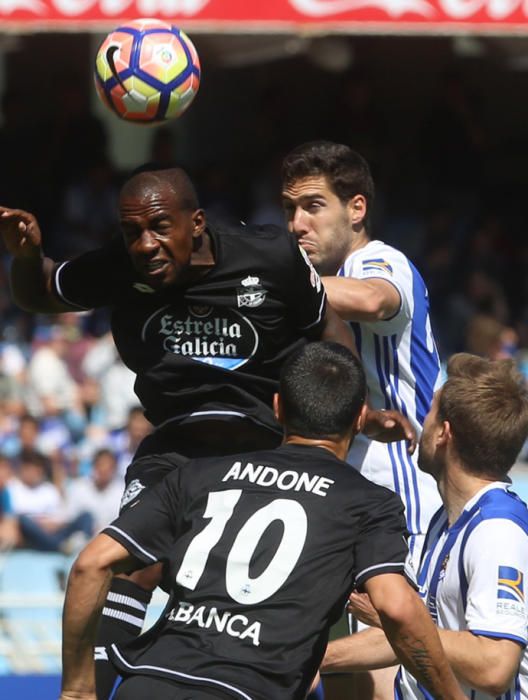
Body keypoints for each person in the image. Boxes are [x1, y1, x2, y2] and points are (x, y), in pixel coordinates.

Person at [0, 165, 412, 698]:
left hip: (268, 445)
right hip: (176, 445)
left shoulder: (270, 256)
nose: (144, 245)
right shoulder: (120, 267)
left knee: (314, 589)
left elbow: (325, 326)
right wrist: (26, 255)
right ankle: (88, 692)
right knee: (129, 563)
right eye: (131, 233)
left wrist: (355, 410)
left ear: (195, 224)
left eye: (158, 228)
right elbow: (41, 295)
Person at [60, 342, 465, 700]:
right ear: (360, 418)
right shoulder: (367, 503)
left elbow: (90, 564)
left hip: (146, 682)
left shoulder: (200, 475)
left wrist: (78, 691)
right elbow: (396, 608)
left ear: (277, 407)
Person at [281, 141, 442, 699]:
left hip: (404, 487)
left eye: (313, 206)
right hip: (351, 486)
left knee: (390, 657)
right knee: (350, 677)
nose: (297, 223)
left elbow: (374, 300)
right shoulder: (319, 296)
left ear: (356, 208)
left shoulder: (378, 259)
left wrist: (262, 282)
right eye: (290, 209)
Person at [321, 352, 528, 699]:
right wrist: (313, 660)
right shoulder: (445, 521)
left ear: (444, 434)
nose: (422, 423)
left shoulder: (496, 532)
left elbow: (494, 666)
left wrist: (399, 621)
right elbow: (415, 641)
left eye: (428, 414)